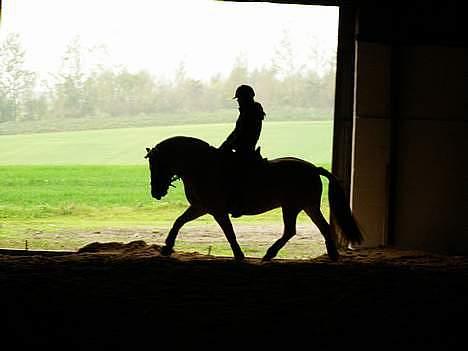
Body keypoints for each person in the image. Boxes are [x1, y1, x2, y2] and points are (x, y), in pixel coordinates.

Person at [219, 85, 266, 217]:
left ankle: (238, 204)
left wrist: (227, 146)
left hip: (245, 150)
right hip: (242, 148)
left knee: (233, 174)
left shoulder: (250, 112)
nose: (238, 101)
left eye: (239, 98)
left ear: (246, 98)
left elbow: (240, 133)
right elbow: (237, 133)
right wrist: (226, 145)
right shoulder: (250, 110)